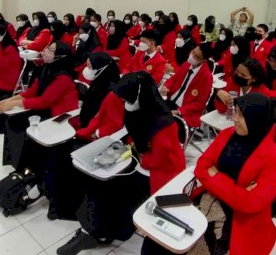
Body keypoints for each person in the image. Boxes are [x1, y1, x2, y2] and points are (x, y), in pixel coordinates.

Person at [57, 71, 185, 255]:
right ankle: (93, 230)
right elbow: (133, 137)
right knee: (100, 185)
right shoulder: (138, 108)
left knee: (115, 191)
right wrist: (135, 148)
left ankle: (102, 232)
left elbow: (156, 160)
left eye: (126, 100)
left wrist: (140, 153)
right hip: (142, 160)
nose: (124, 104)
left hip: (161, 171)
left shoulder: (164, 124)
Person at [194, 93, 276, 255]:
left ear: (256, 120)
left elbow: (250, 203)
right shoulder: (227, 134)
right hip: (211, 202)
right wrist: (238, 190)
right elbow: (201, 167)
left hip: (241, 220)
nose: (234, 118)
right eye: (235, 111)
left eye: (241, 115)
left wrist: (215, 175)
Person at [44, 52, 124, 220]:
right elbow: (94, 115)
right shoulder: (99, 83)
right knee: (57, 152)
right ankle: (53, 195)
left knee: (65, 158)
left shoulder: (112, 91)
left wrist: (90, 133)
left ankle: (65, 207)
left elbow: (111, 124)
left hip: (103, 140)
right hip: (89, 128)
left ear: (101, 69)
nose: (86, 70)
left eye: (89, 66)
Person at [0, 41, 78, 169]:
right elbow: (32, 91)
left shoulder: (64, 77)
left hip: (59, 116)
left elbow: (45, 101)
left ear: (60, 56)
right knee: (13, 121)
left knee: (27, 131)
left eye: (51, 50)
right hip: (46, 109)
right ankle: (16, 162)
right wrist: (9, 101)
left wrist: (14, 104)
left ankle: (28, 168)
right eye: (48, 47)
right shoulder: (46, 68)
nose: (45, 51)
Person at [160, 43, 214, 128]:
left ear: (203, 60)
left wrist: (180, 111)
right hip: (171, 100)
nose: (192, 56)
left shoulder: (207, 77)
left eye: (196, 57)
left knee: (163, 125)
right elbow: (174, 79)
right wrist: (166, 86)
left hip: (186, 110)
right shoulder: (186, 65)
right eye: (193, 52)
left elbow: (200, 104)